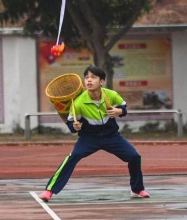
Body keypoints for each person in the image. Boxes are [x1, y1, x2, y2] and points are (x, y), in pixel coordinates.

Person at [39, 65, 150, 202]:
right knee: (72, 157)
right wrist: (75, 126)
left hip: (111, 136)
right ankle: (49, 190)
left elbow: (123, 107)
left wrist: (120, 111)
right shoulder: (78, 102)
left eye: (93, 77)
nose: (89, 80)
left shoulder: (111, 95)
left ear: (102, 81)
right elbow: (71, 126)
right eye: (86, 78)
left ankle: (137, 189)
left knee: (134, 157)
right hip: (89, 138)